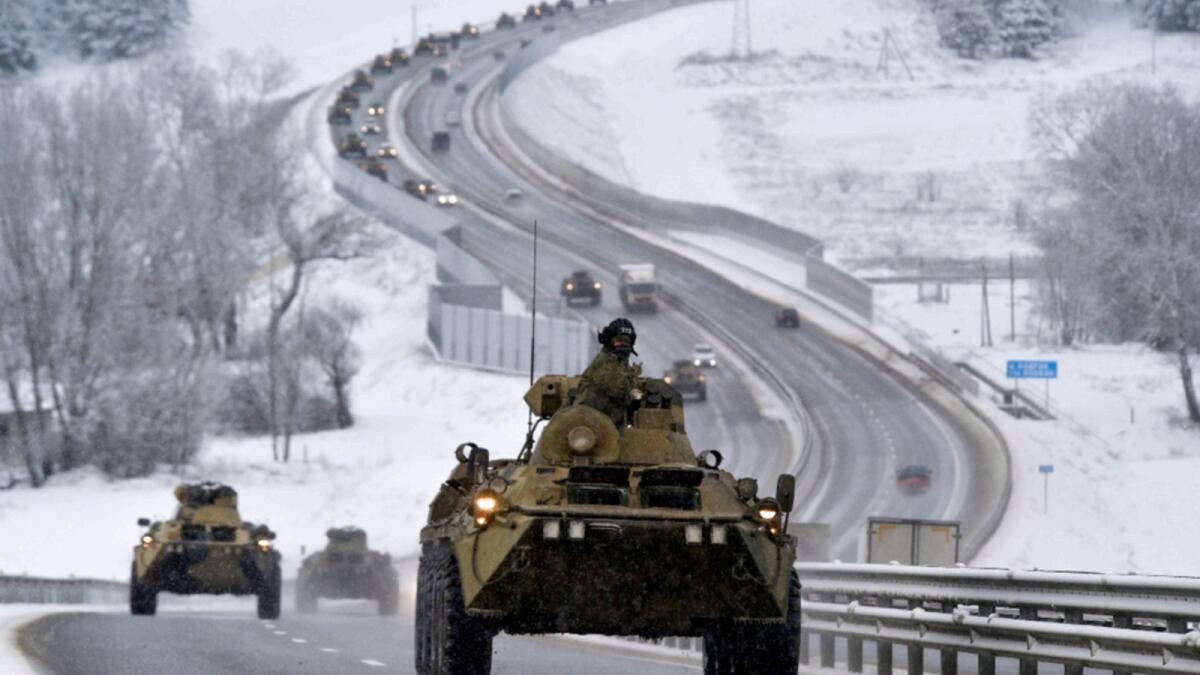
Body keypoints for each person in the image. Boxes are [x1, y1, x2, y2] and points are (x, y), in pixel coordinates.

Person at [576, 318, 642, 428]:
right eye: (619, 340)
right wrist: (634, 384)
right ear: (609, 340)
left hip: (605, 424)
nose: (623, 344)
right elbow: (621, 391)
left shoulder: (620, 362)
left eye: (627, 341)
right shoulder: (606, 361)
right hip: (590, 424)